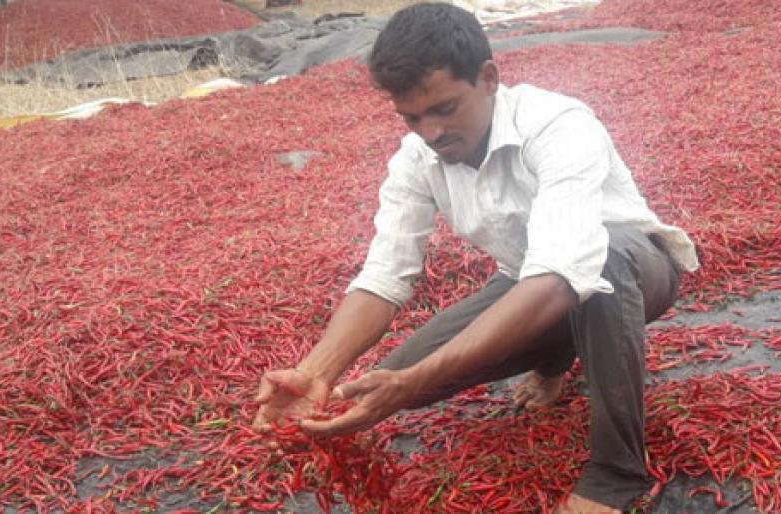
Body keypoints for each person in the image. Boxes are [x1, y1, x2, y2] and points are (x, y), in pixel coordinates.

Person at [252, 3, 699, 512]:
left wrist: (417, 378)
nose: (431, 133)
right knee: (402, 379)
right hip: (530, 282)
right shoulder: (417, 159)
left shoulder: (558, 125)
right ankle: (557, 356)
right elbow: (383, 276)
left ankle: (616, 473)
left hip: (635, 270)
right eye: (412, 117)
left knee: (597, 264)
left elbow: (561, 273)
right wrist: (317, 370)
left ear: (489, 78)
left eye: (444, 109)